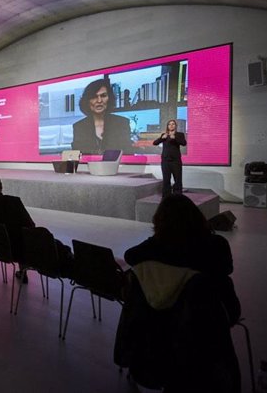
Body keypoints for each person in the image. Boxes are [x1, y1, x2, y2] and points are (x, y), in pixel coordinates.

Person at [118, 194, 241, 391]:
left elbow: (130, 255)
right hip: (214, 318)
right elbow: (226, 269)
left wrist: (157, 239)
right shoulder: (216, 245)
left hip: (162, 320)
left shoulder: (156, 247)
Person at [71, 78, 134, 155]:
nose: (99, 100)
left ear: (109, 98)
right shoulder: (79, 127)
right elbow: (77, 157)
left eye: (103, 96)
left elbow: (128, 154)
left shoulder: (122, 123)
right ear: (87, 101)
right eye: (94, 97)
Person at [153, 119, 187, 198]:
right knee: (166, 180)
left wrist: (174, 138)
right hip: (165, 161)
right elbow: (155, 143)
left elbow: (184, 143)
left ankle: (178, 198)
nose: (171, 125)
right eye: (169, 124)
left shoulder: (179, 134)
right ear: (167, 126)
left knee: (177, 180)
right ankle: (166, 198)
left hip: (176, 161)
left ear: (175, 126)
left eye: (173, 124)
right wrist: (162, 138)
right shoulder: (164, 135)